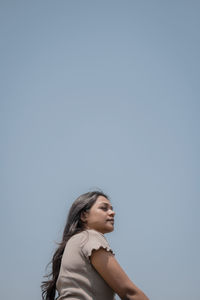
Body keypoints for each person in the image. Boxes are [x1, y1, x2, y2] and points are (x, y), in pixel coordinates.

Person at [41, 191, 149, 300]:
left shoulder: (76, 241)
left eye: (111, 208)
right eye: (104, 208)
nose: (112, 212)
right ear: (84, 215)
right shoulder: (89, 237)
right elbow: (128, 292)